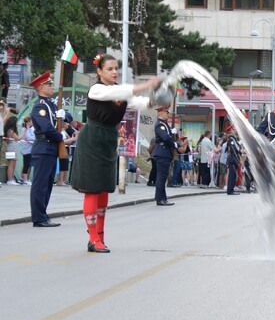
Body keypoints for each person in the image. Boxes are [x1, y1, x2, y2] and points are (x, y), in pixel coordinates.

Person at [70, 54, 160, 252]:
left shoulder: (120, 91)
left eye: (116, 68)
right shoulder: (97, 89)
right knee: (92, 189)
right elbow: (123, 91)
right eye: (109, 68)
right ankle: (93, 238)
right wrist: (145, 84)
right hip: (92, 139)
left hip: (108, 139)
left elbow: (141, 103)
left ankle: (100, 236)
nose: (114, 72)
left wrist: (158, 98)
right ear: (99, 71)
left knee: (103, 190)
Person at [29, 71, 65, 227]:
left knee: (48, 184)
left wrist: (65, 116)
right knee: (40, 185)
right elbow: (46, 127)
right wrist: (60, 137)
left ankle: (43, 214)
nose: (52, 87)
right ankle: (38, 218)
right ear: (40, 87)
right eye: (49, 84)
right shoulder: (39, 107)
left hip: (51, 149)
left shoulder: (50, 104)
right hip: (43, 148)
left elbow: (66, 117)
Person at [153, 107, 177, 206]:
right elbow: (165, 137)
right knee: (161, 177)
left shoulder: (164, 124)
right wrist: (173, 144)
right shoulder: (160, 125)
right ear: (161, 113)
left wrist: (172, 132)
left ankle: (162, 198)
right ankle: (160, 199)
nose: (168, 115)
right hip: (162, 152)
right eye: (167, 113)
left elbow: (168, 134)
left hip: (165, 153)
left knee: (162, 177)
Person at [4, 111, 20, 184]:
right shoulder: (11, 130)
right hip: (11, 146)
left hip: (12, 146)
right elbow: (18, 138)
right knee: (11, 163)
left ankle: (12, 178)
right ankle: (10, 179)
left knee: (13, 163)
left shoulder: (10, 129)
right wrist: (25, 131)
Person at [225, 126, 241, 195]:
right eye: (234, 130)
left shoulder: (234, 139)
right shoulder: (231, 139)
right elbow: (233, 149)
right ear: (230, 131)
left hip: (235, 159)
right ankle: (230, 190)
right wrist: (239, 151)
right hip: (232, 158)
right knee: (232, 175)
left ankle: (232, 188)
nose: (235, 131)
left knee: (234, 175)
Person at [19, 116, 34, 184]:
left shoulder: (29, 129)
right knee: (26, 164)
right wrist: (35, 137)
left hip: (29, 149)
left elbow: (32, 136)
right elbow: (28, 137)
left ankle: (25, 178)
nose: (32, 123)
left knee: (28, 164)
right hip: (26, 149)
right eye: (31, 121)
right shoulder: (24, 129)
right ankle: (24, 179)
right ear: (28, 122)